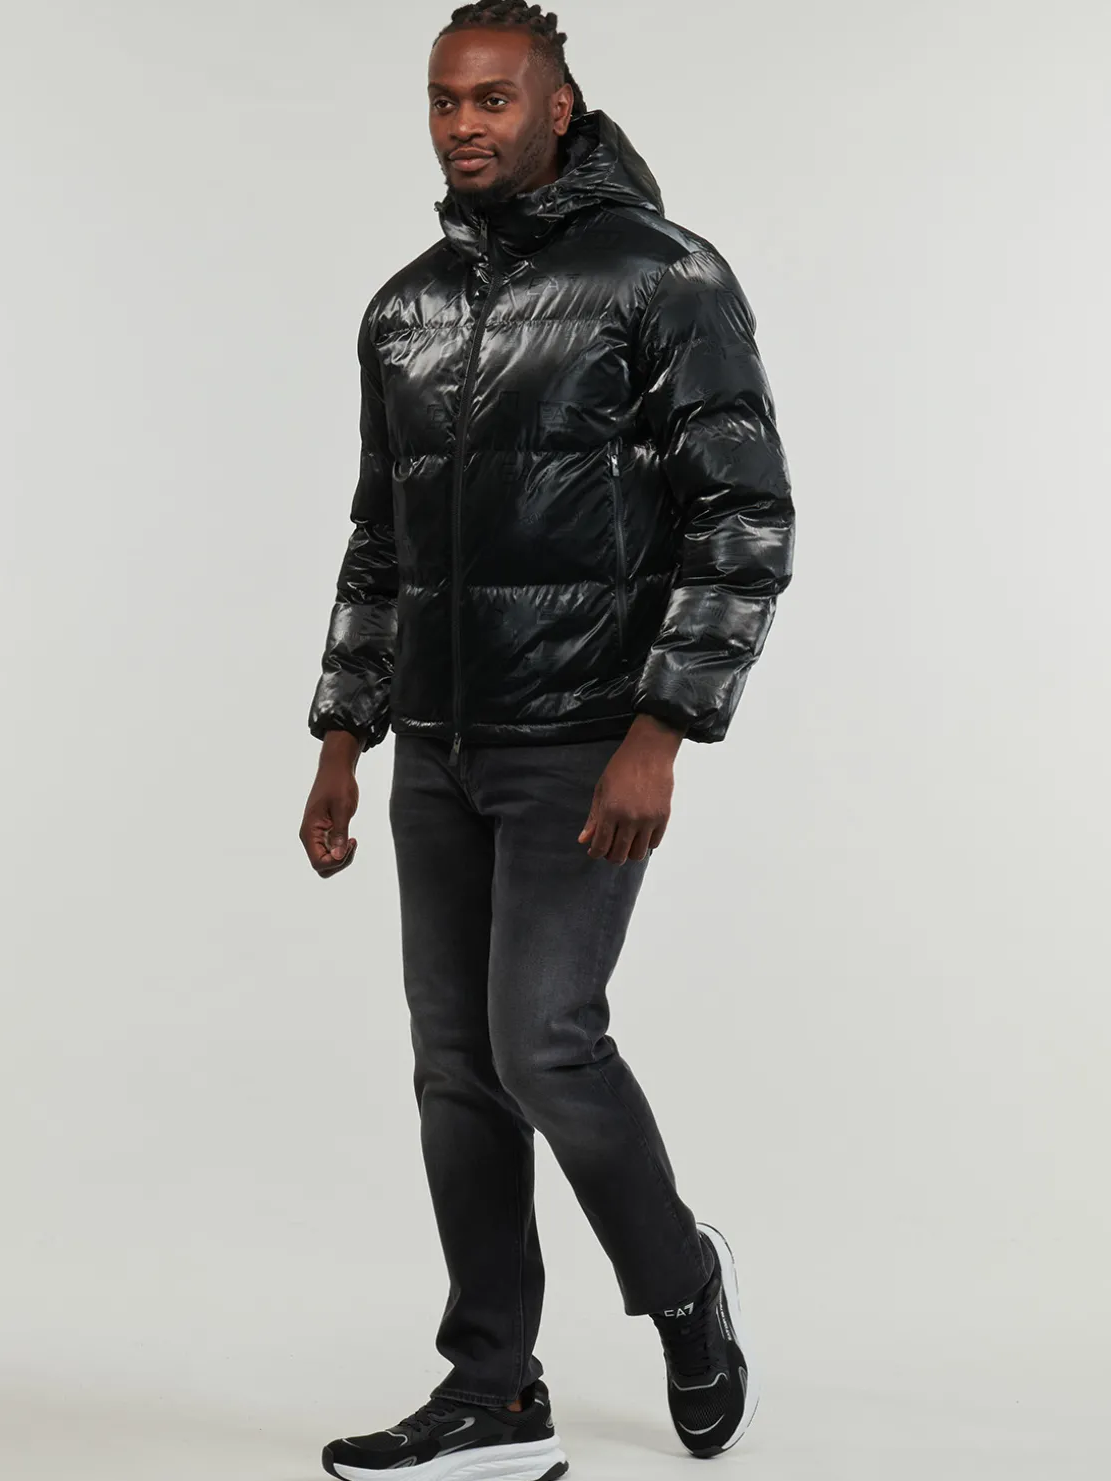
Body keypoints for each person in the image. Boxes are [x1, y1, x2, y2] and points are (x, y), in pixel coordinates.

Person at [299, 4, 794, 1477]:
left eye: (494, 100)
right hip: (436, 749)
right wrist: (343, 735)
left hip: (582, 741)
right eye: (444, 100)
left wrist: (665, 726)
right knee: (456, 1067)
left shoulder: (664, 275)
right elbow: (380, 541)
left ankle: (682, 1290)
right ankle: (495, 1388)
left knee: (545, 1044)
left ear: (558, 106)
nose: (464, 125)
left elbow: (743, 516)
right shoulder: (403, 310)